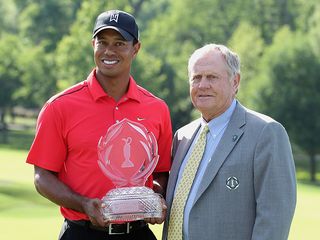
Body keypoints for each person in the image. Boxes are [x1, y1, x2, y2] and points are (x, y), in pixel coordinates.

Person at [26, 9, 172, 240]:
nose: (109, 51)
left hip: (138, 233)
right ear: (93, 44)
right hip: (81, 233)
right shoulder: (59, 106)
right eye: (102, 42)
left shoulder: (157, 108)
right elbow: (42, 177)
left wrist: (156, 197)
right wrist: (83, 204)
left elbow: (161, 171)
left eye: (119, 43)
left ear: (136, 49)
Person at [162, 43, 296, 240]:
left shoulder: (266, 133)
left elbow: (274, 220)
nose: (203, 85)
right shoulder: (183, 136)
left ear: (235, 82)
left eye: (212, 77)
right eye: (196, 78)